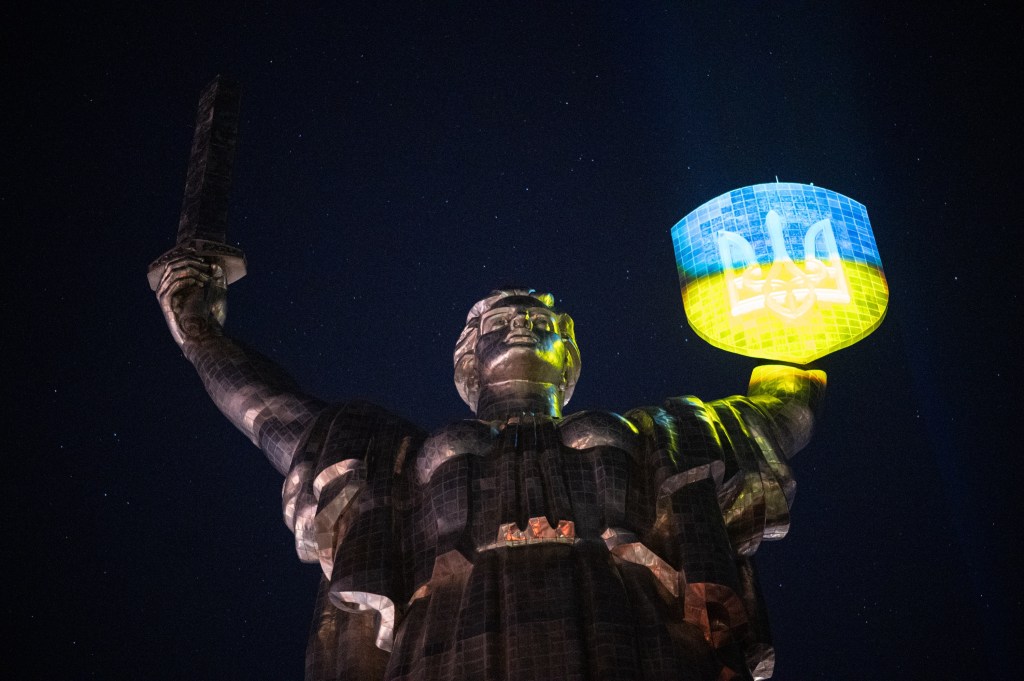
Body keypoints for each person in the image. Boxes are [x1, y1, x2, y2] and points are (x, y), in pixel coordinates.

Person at [157, 256, 826, 681]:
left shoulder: (659, 433)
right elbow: (273, 414)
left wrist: (799, 344)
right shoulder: (394, 453)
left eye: (540, 319)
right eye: (496, 320)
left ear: (569, 357)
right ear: (464, 362)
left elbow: (773, 419)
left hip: (632, 640)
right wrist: (201, 332)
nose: (519, 322)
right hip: (452, 644)